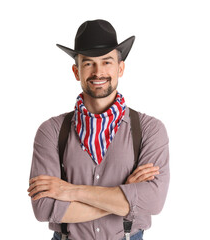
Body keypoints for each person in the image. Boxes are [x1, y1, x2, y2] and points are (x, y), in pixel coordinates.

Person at [28, 19, 170, 240]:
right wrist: (125, 195)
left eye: (106, 62)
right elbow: (44, 208)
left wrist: (70, 191)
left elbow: (153, 201)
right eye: (88, 63)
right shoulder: (51, 131)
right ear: (77, 72)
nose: (98, 72)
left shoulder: (150, 130)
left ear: (120, 68)